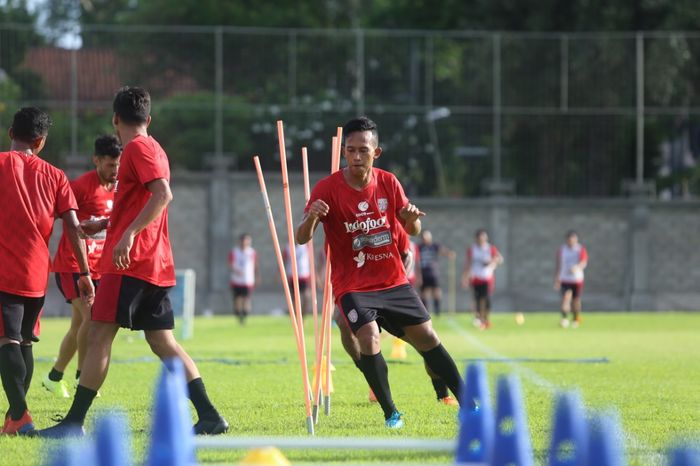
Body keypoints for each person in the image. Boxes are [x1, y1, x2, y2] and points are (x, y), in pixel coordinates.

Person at [35, 86, 227, 438]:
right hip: (153, 263)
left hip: (131, 264)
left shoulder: (137, 148)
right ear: (148, 118)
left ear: (115, 118)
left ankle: (74, 424)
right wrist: (109, 224)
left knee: (96, 335)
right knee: (162, 341)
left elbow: (162, 195)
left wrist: (128, 236)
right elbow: (143, 200)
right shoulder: (152, 147)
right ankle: (210, 416)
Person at [296, 116, 462, 429]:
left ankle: (469, 404)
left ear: (377, 152)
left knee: (427, 337)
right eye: (350, 151)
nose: (356, 157)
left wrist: (411, 218)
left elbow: (412, 229)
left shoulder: (388, 183)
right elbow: (301, 238)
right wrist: (311, 219)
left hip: (393, 281)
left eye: (363, 150)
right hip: (353, 285)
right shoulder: (327, 189)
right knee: (366, 336)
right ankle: (390, 412)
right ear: (344, 152)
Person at [0, 107, 95, 435]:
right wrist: (84, 273)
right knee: (24, 341)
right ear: (40, 142)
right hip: (37, 274)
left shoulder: (0, 163)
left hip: (4, 271)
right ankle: (14, 420)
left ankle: (21, 414)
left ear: (11, 133)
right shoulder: (56, 176)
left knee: (7, 339)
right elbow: (73, 226)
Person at [334, 226, 458, 407]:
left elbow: (408, 258)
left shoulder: (394, 226)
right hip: (359, 292)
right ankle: (368, 371)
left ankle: (442, 393)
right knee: (342, 322)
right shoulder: (351, 226)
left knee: (425, 344)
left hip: (394, 292)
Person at [43, 135, 121, 398]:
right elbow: (54, 214)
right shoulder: (80, 187)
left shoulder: (118, 189)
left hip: (98, 267)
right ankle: (82, 378)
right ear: (96, 160)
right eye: (110, 165)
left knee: (79, 326)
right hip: (72, 265)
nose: (115, 170)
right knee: (92, 318)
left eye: (118, 165)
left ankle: (54, 377)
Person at [462, 229, 503, 330]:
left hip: (487, 278)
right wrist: (465, 277)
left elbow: (500, 259)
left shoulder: (490, 248)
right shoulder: (472, 249)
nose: (482, 239)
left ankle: (485, 319)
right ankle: (480, 319)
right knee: (477, 299)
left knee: (486, 299)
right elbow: (468, 264)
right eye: (480, 237)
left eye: (483, 237)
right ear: (476, 238)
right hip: (475, 277)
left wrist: (492, 261)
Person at [554, 230, 588, 328]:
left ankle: (575, 319)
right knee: (566, 298)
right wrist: (557, 278)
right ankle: (564, 319)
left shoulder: (580, 249)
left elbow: (584, 262)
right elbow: (559, 265)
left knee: (576, 300)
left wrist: (577, 267)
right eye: (570, 239)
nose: (571, 241)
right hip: (565, 278)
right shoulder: (562, 250)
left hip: (576, 279)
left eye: (573, 239)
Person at [417, 230, 455, 316]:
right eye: (423, 237)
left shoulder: (434, 246)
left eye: (427, 236)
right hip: (423, 273)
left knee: (436, 291)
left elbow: (443, 251)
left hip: (433, 273)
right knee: (424, 293)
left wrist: (449, 254)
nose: (425, 239)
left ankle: (437, 310)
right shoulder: (419, 247)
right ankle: (425, 312)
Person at [229, 233, 257, 324]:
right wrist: (236, 270)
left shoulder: (251, 252)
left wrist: (257, 275)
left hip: (248, 280)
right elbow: (230, 263)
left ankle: (245, 316)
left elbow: (255, 265)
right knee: (237, 299)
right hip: (236, 280)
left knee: (246, 298)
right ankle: (238, 314)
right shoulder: (234, 252)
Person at [283, 242, 312, 316]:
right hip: (292, 275)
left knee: (306, 297)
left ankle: (303, 316)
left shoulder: (306, 246)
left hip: (304, 275)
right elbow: (284, 261)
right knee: (294, 298)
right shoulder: (287, 247)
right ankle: (296, 317)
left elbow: (311, 260)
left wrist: (315, 275)